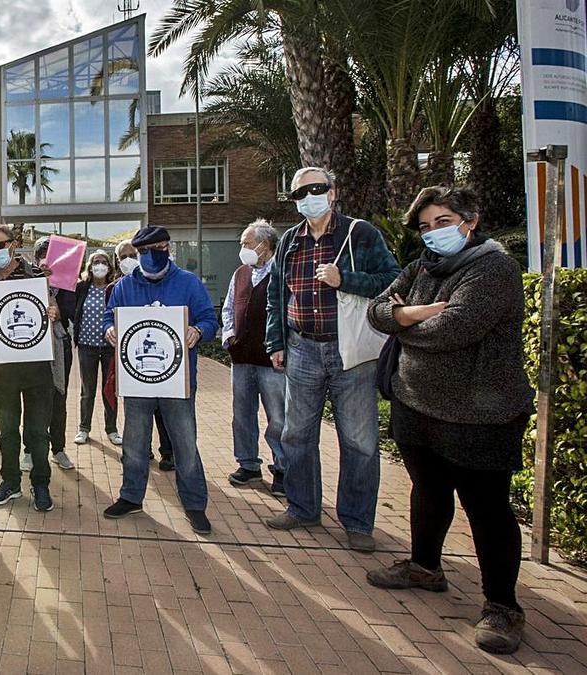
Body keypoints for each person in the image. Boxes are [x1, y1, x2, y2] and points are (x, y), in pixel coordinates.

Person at [365, 186, 532, 654]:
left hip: (480, 413)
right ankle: (425, 567)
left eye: (442, 222)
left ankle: (502, 606)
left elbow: (453, 329)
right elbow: (379, 312)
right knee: (428, 491)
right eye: (425, 226)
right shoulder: (422, 268)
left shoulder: (494, 267)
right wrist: (410, 313)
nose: (433, 233)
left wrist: (403, 320)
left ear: (470, 220)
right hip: (417, 404)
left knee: (487, 509)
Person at [264, 167, 401, 552]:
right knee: (296, 434)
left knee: (359, 440)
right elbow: (277, 297)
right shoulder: (290, 241)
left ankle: (357, 522)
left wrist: (347, 280)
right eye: (299, 194)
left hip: (350, 351)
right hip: (302, 348)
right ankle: (303, 507)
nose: (308, 197)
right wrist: (276, 342)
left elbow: (393, 279)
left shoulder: (360, 234)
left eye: (316, 189)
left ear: (333, 192)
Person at [101, 226, 218, 534]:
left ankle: (194, 505)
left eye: (158, 248)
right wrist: (109, 330)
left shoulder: (188, 283)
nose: (151, 255)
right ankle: (131, 496)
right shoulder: (124, 286)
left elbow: (209, 318)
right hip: (137, 380)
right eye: (144, 251)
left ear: (168, 248)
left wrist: (199, 331)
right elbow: (109, 316)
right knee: (134, 443)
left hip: (176, 381)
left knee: (184, 444)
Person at [0, 223, 58, 512]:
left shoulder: (38, 276)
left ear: (13, 244)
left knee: (38, 432)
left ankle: (41, 485)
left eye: (0, 245)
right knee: (7, 430)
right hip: (3, 371)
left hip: (37, 370)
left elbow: (57, 310)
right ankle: (10, 482)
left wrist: (54, 311)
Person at [222, 219, 286, 496]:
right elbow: (227, 308)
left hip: (272, 361)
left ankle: (283, 468)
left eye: (247, 243)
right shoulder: (240, 274)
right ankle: (248, 464)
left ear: (265, 245)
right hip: (242, 358)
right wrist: (229, 337)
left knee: (278, 418)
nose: (243, 248)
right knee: (242, 415)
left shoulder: (283, 274)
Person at [108, 239, 174, 471]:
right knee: (137, 411)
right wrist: (110, 328)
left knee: (164, 411)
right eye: (122, 256)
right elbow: (110, 316)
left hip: (164, 360)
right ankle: (140, 449)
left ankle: (168, 452)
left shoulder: (169, 280)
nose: (127, 259)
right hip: (133, 361)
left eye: (131, 254)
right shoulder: (119, 286)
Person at [31, 236, 76, 471]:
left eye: (51, 257)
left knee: (58, 398)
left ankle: (58, 448)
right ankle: (30, 450)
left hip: (59, 344)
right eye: (42, 256)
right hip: (32, 347)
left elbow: (69, 312)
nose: (46, 262)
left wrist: (55, 306)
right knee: (33, 400)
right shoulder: (27, 278)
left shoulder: (68, 285)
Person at [73, 249, 121, 447]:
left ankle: (112, 429)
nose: (99, 265)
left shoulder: (115, 287)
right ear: (90, 267)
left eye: (103, 262)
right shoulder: (81, 287)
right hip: (87, 346)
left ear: (109, 267)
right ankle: (83, 428)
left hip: (109, 346)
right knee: (87, 390)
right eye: (96, 262)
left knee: (110, 389)